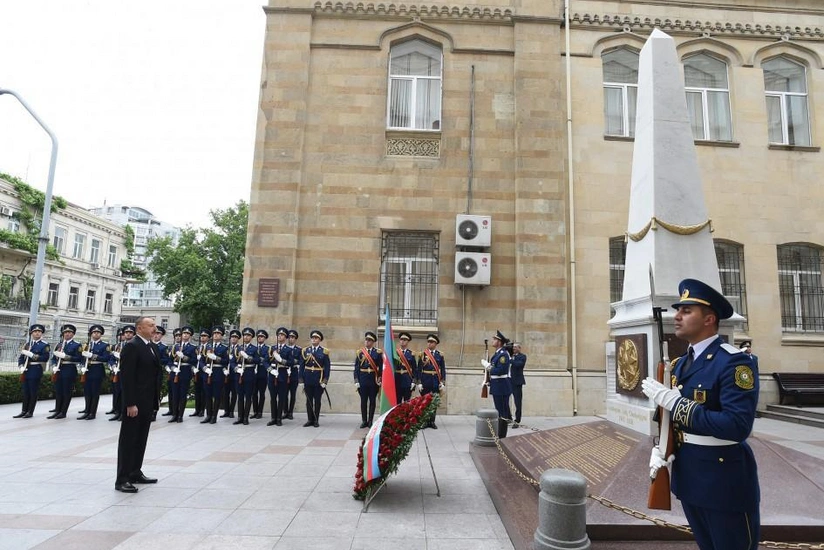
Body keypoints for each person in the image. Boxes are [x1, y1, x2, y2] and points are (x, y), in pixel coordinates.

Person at [641, 278, 759, 550]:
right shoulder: (680, 364)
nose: (677, 316)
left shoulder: (734, 362)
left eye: (686, 311)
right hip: (690, 477)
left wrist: (678, 404)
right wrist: (663, 447)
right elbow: (673, 420)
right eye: (678, 311)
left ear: (709, 319)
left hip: (723, 480)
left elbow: (737, 425)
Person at [115, 316, 161, 493]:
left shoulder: (151, 346)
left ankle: (135, 472)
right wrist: (130, 403)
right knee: (129, 440)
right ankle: (122, 479)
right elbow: (127, 378)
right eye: (151, 325)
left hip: (147, 401)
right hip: (135, 403)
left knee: (141, 438)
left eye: (154, 325)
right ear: (140, 328)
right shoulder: (132, 346)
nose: (155, 328)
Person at [14, 323, 50, 419]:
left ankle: (30, 411)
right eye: (35, 331)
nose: (37, 333)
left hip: (35, 369)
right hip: (26, 370)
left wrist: (33, 356)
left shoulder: (44, 345)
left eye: (39, 332)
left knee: (33, 391)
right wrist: (21, 365)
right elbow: (21, 357)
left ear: (41, 333)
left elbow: (45, 358)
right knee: (25, 391)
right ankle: (23, 411)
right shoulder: (27, 344)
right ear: (31, 333)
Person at [48, 324, 83, 419]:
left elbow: (79, 358)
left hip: (69, 369)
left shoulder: (77, 345)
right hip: (58, 370)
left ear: (73, 334)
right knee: (58, 391)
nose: (67, 334)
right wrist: (54, 365)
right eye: (65, 332)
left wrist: (66, 357)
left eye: (70, 332)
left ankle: (63, 412)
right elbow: (53, 358)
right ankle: (57, 411)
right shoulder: (59, 345)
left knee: (66, 392)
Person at [483, 330, 513, 438]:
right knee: (499, 411)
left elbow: (501, 370)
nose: (493, 341)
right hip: (497, 385)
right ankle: (499, 435)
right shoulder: (497, 354)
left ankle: (501, 437)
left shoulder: (503, 354)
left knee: (503, 413)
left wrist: (489, 367)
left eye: (495, 339)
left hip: (502, 386)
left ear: (499, 342)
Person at [78, 325, 111, 420]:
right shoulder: (86, 345)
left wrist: (93, 356)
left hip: (97, 370)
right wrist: (82, 366)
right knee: (87, 392)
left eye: (98, 333)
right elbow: (82, 358)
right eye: (94, 332)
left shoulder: (104, 345)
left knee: (95, 392)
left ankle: (92, 413)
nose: (96, 334)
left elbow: (106, 358)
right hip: (87, 370)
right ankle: (87, 411)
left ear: (101, 334)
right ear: (91, 334)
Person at [300, 330, 330, 427]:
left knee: (317, 400)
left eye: (316, 338)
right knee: (308, 400)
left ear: (319, 340)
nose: (314, 339)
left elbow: (327, 367)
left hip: (318, 380)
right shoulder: (305, 351)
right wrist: (301, 379)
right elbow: (301, 366)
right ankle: (310, 419)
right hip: (308, 379)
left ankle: (316, 420)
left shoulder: (324, 351)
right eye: (312, 338)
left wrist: (325, 380)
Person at [354, 331, 382, 429]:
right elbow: (356, 368)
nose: (367, 342)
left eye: (369, 340)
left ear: (373, 342)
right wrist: (356, 380)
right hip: (362, 379)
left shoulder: (377, 353)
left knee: (372, 401)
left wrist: (380, 378)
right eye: (366, 340)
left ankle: (370, 420)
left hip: (373, 380)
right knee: (363, 401)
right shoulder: (360, 352)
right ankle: (364, 421)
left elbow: (381, 367)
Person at [418, 334, 445, 429]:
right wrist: (419, 382)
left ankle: (432, 421)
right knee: (425, 402)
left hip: (435, 381)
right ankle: (425, 421)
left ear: (435, 344)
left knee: (434, 402)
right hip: (425, 380)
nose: (429, 343)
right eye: (428, 342)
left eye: (431, 342)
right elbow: (419, 369)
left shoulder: (440, 355)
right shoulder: (422, 354)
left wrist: (442, 382)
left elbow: (443, 369)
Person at [234, 327, 259, 425]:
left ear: (251, 337)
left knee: (248, 396)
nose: (246, 337)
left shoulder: (254, 349)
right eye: (245, 335)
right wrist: (236, 368)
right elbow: (232, 361)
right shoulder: (238, 348)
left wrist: (248, 357)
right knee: (240, 396)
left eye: (248, 335)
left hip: (249, 374)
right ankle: (240, 417)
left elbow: (258, 360)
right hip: (239, 374)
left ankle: (245, 417)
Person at [204, 327, 230, 424]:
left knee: (217, 395)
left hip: (218, 373)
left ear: (221, 336)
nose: (216, 335)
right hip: (208, 373)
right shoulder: (207, 347)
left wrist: (216, 358)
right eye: (214, 333)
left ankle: (214, 416)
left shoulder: (224, 348)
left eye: (218, 333)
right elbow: (202, 360)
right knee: (208, 395)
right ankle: (208, 415)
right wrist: (204, 368)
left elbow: (226, 361)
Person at [108, 326, 134, 422]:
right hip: (117, 372)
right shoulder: (118, 346)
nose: (128, 334)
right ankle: (117, 412)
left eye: (130, 332)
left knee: (125, 393)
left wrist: (123, 357)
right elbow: (111, 359)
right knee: (117, 393)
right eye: (126, 332)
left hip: (128, 372)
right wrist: (113, 366)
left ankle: (124, 413)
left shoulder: (134, 345)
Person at [267, 327, 289, 426]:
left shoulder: (288, 349)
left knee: (281, 398)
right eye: (279, 335)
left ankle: (279, 418)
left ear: (286, 337)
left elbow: (291, 362)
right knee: (273, 397)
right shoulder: (272, 348)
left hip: (282, 375)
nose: (280, 336)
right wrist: (270, 370)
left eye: (282, 335)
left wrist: (281, 360)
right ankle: (273, 418)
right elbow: (265, 361)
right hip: (272, 375)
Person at [394, 332, 417, 404]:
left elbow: (414, 369)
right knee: (397, 402)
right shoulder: (395, 353)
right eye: (401, 339)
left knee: (407, 402)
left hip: (407, 380)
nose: (402, 341)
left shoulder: (411, 354)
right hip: (397, 380)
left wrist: (414, 381)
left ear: (408, 342)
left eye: (404, 340)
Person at [252, 328, 269, 419]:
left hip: (262, 373)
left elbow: (266, 359)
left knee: (261, 393)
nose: (260, 338)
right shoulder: (254, 348)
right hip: (253, 373)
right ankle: (255, 411)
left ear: (265, 338)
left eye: (262, 336)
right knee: (254, 393)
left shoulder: (267, 348)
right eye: (258, 336)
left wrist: (257, 359)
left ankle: (260, 412)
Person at [285, 329, 301, 419]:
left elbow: (301, 361)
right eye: (289, 337)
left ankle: (290, 412)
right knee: (284, 393)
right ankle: (285, 411)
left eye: (293, 337)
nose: (291, 339)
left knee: (293, 394)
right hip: (285, 372)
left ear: (295, 339)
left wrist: (294, 361)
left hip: (294, 372)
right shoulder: (285, 349)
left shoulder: (299, 349)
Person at [510, 342, 527, 428]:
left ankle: (517, 420)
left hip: (516, 382)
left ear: (519, 348)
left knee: (517, 402)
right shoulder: (508, 356)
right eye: (513, 347)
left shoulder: (522, 356)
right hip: (508, 381)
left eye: (516, 347)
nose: (514, 348)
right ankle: (507, 418)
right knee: (505, 400)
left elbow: (519, 365)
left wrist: (511, 360)